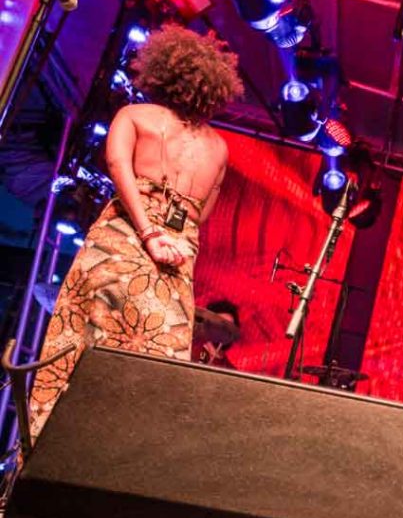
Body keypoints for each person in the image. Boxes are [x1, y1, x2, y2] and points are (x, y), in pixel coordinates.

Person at [28, 25, 242, 442]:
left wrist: (146, 230)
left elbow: (117, 167)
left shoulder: (134, 115)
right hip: (176, 257)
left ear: (161, 74)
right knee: (156, 363)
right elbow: (202, 213)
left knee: (80, 344)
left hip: (122, 241)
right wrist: (171, 237)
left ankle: (50, 447)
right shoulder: (219, 147)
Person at [192, 299, 241, 369]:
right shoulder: (190, 347)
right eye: (220, 324)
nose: (224, 330)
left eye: (229, 327)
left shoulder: (229, 369)